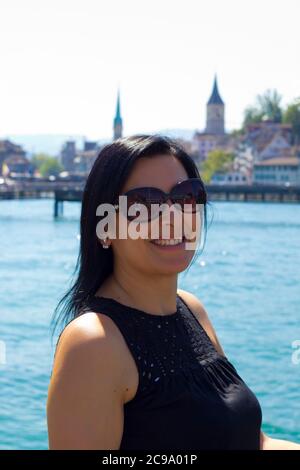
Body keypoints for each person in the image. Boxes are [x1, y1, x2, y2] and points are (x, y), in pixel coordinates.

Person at [47, 134, 300, 450]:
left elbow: (255, 443)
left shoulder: (192, 309)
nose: (174, 216)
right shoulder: (94, 343)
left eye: (187, 196)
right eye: (146, 203)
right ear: (105, 227)